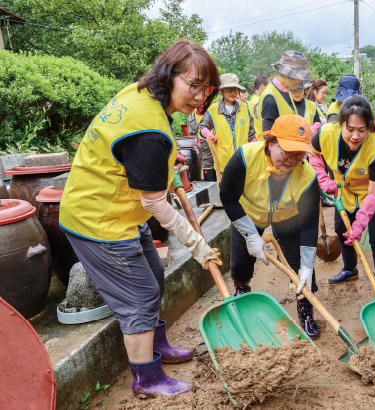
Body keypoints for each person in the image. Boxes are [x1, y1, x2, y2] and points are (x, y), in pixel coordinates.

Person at [59, 39, 223, 398]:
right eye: (192, 85)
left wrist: (166, 163)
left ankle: (156, 346)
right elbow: (157, 205)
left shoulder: (143, 93)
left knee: (154, 276)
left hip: (118, 208)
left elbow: (132, 153)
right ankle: (146, 378)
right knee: (139, 295)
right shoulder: (149, 132)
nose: (199, 97)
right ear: (169, 75)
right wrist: (196, 244)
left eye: (205, 88)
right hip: (98, 220)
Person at [219, 114, 322, 338]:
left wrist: (307, 266)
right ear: (270, 143)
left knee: (301, 267)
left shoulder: (307, 177)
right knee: (241, 261)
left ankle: (305, 308)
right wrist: (249, 234)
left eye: (299, 154)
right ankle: (242, 290)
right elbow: (228, 197)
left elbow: (309, 224)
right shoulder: (245, 158)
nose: (292, 160)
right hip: (248, 213)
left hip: (289, 217)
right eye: (286, 152)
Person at [308, 95, 375, 294]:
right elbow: (312, 153)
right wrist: (322, 177)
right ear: (341, 124)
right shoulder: (326, 134)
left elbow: (373, 196)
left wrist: (361, 222)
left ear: (370, 127)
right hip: (346, 191)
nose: (355, 136)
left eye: (362, 130)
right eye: (350, 129)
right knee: (341, 230)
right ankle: (349, 269)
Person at [199, 73, 255, 171]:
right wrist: (208, 134)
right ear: (222, 90)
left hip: (244, 161)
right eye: (229, 89)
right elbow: (203, 126)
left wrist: (256, 146)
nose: (233, 92)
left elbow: (251, 134)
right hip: (223, 164)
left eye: (235, 89)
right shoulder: (213, 110)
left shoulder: (245, 108)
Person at [259, 51, 313, 132]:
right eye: (299, 76)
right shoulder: (270, 97)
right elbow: (268, 135)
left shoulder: (286, 91)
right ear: (288, 74)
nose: (300, 80)